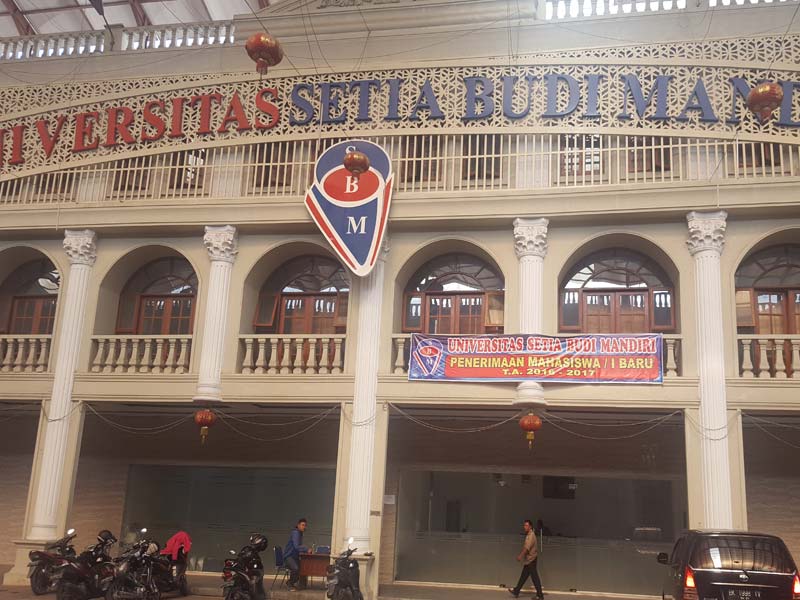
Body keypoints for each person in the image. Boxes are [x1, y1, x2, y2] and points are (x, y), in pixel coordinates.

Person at [509, 519, 543, 599]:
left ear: (530, 526)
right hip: (529, 560)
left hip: (531, 560)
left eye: (526, 525)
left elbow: (526, 548)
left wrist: (520, 556)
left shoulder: (531, 536)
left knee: (535, 578)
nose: (524, 527)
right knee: (524, 576)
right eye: (524, 525)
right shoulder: (529, 534)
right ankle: (516, 590)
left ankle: (540, 596)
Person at [283, 518, 310, 591]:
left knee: (303, 568)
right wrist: (306, 549)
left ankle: (299, 584)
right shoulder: (296, 533)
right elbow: (296, 546)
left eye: (305, 525)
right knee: (295, 568)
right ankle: (290, 583)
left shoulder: (300, 533)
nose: (304, 527)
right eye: (302, 525)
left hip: (294, 557)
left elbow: (298, 547)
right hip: (289, 557)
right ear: (298, 525)